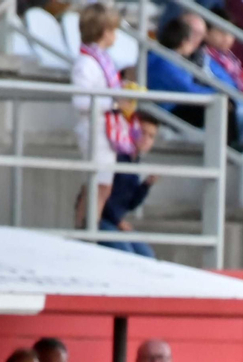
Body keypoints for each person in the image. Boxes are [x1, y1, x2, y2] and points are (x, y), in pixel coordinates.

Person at [71, 3, 130, 228]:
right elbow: (81, 100)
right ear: (103, 31)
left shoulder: (101, 60)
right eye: (112, 30)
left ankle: (88, 231)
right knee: (97, 185)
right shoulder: (86, 63)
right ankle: (84, 232)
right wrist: (114, 102)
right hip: (94, 130)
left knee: (102, 186)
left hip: (104, 130)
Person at [100, 113, 160, 259]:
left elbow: (130, 204)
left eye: (151, 136)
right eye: (143, 133)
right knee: (127, 253)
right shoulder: (118, 157)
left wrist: (146, 186)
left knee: (147, 255)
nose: (146, 139)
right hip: (102, 220)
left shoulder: (134, 161)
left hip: (115, 222)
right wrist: (118, 222)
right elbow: (103, 196)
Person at [201, 20, 243, 151]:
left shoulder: (232, 61)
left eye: (230, 33)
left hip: (241, 104)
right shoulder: (204, 57)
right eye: (221, 32)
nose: (226, 37)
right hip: (226, 107)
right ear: (207, 33)